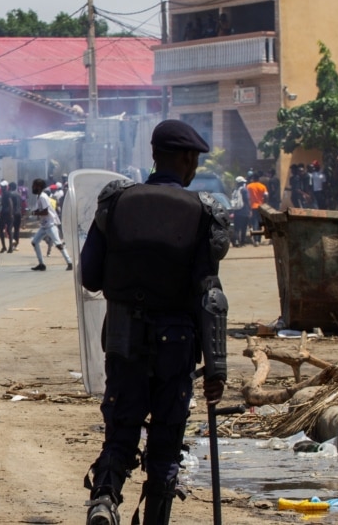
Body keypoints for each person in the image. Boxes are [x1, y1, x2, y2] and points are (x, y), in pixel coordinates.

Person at [78, 119, 229, 525]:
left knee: (121, 429)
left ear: (153, 156)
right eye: (194, 159)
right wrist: (217, 369)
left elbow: (89, 276)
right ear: (186, 159)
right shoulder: (202, 212)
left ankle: (105, 500)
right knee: (166, 441)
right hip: (176, 345)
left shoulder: (116, 202)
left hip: (124, 337)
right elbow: (209, 298)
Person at [29, 178, 73, 271]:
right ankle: (41, 264)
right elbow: (40, 210)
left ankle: (70, 263)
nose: (33, 187)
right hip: (44, 225)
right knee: (34, 242)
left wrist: (34, 213)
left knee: (58, 244)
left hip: (50, 225)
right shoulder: (39, 196)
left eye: (34, 186)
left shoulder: (43, 197)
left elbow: (45, 212)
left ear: (39, 187)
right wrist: (33, 212)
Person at [246, 174, 268, 246]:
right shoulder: (262, 186)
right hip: (261, 207)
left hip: (253, 207)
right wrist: (264, 203)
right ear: (259, 179)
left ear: (253, 179)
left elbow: (247, 197)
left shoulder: (249, 186)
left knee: (255, 223)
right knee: (260, 223)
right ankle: (259, 239)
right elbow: (266, 195)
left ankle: (256, 240)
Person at [231, 176, 250, 246]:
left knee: (236, 228)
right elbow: (247, 200)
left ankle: (236, 241)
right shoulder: (244, 190)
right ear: (242, 183)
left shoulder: (234, 190)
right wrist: (249, 210)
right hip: (244, 211)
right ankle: (242, 242)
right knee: (244, 228)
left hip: (236, 211)